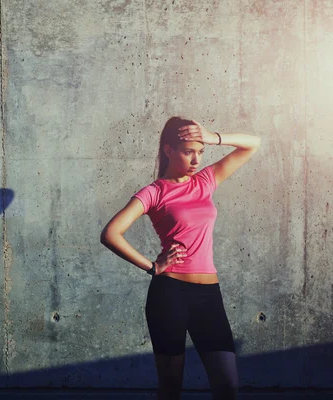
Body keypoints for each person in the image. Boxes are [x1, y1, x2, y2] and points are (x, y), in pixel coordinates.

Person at [100, 117, 261, 400]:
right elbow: (111, 233)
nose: (196, 159)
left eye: (200, 152)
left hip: (209, 295)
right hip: (170, 294)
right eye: (189, 151)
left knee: (228, 385)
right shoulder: (154, 192)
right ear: (168, 150)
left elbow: (253, 144)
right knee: (171, 387)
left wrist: (212, 136)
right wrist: (152, 266)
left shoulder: (205, 181)